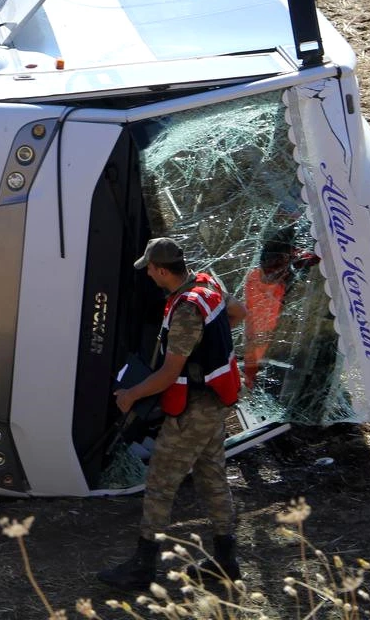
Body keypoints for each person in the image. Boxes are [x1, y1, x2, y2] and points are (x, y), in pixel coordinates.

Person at [97, 237, 247, 592]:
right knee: (212, 478)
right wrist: (213, 347)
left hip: (194, 410)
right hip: (215, 402)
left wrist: (131, 394)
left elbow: (168, 373)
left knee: (161, 483)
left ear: (162, 271)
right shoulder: (208, 284)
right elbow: (237, 314)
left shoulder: (185, 311)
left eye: (149, 268)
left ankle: (143, 567)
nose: (147, 273)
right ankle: (226, 562)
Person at [242, 229, 321, 388]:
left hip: (271, 343)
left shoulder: (257, 276)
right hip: (268, 342)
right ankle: (251, 378)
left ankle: (251, 378)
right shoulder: (258, 280)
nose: (275, 271)